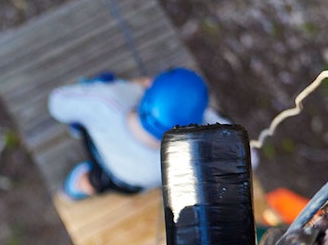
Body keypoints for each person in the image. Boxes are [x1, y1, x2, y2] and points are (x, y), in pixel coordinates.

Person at [48, 67, 233, 199]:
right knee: (96, 181)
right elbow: (245, 154)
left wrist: (133, 85)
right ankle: (82, 185)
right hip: (126, 183)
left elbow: (57, 103)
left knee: (90, 102)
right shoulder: (188, 156)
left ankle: (74, 182)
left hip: (97, 144)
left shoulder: (107, 101)